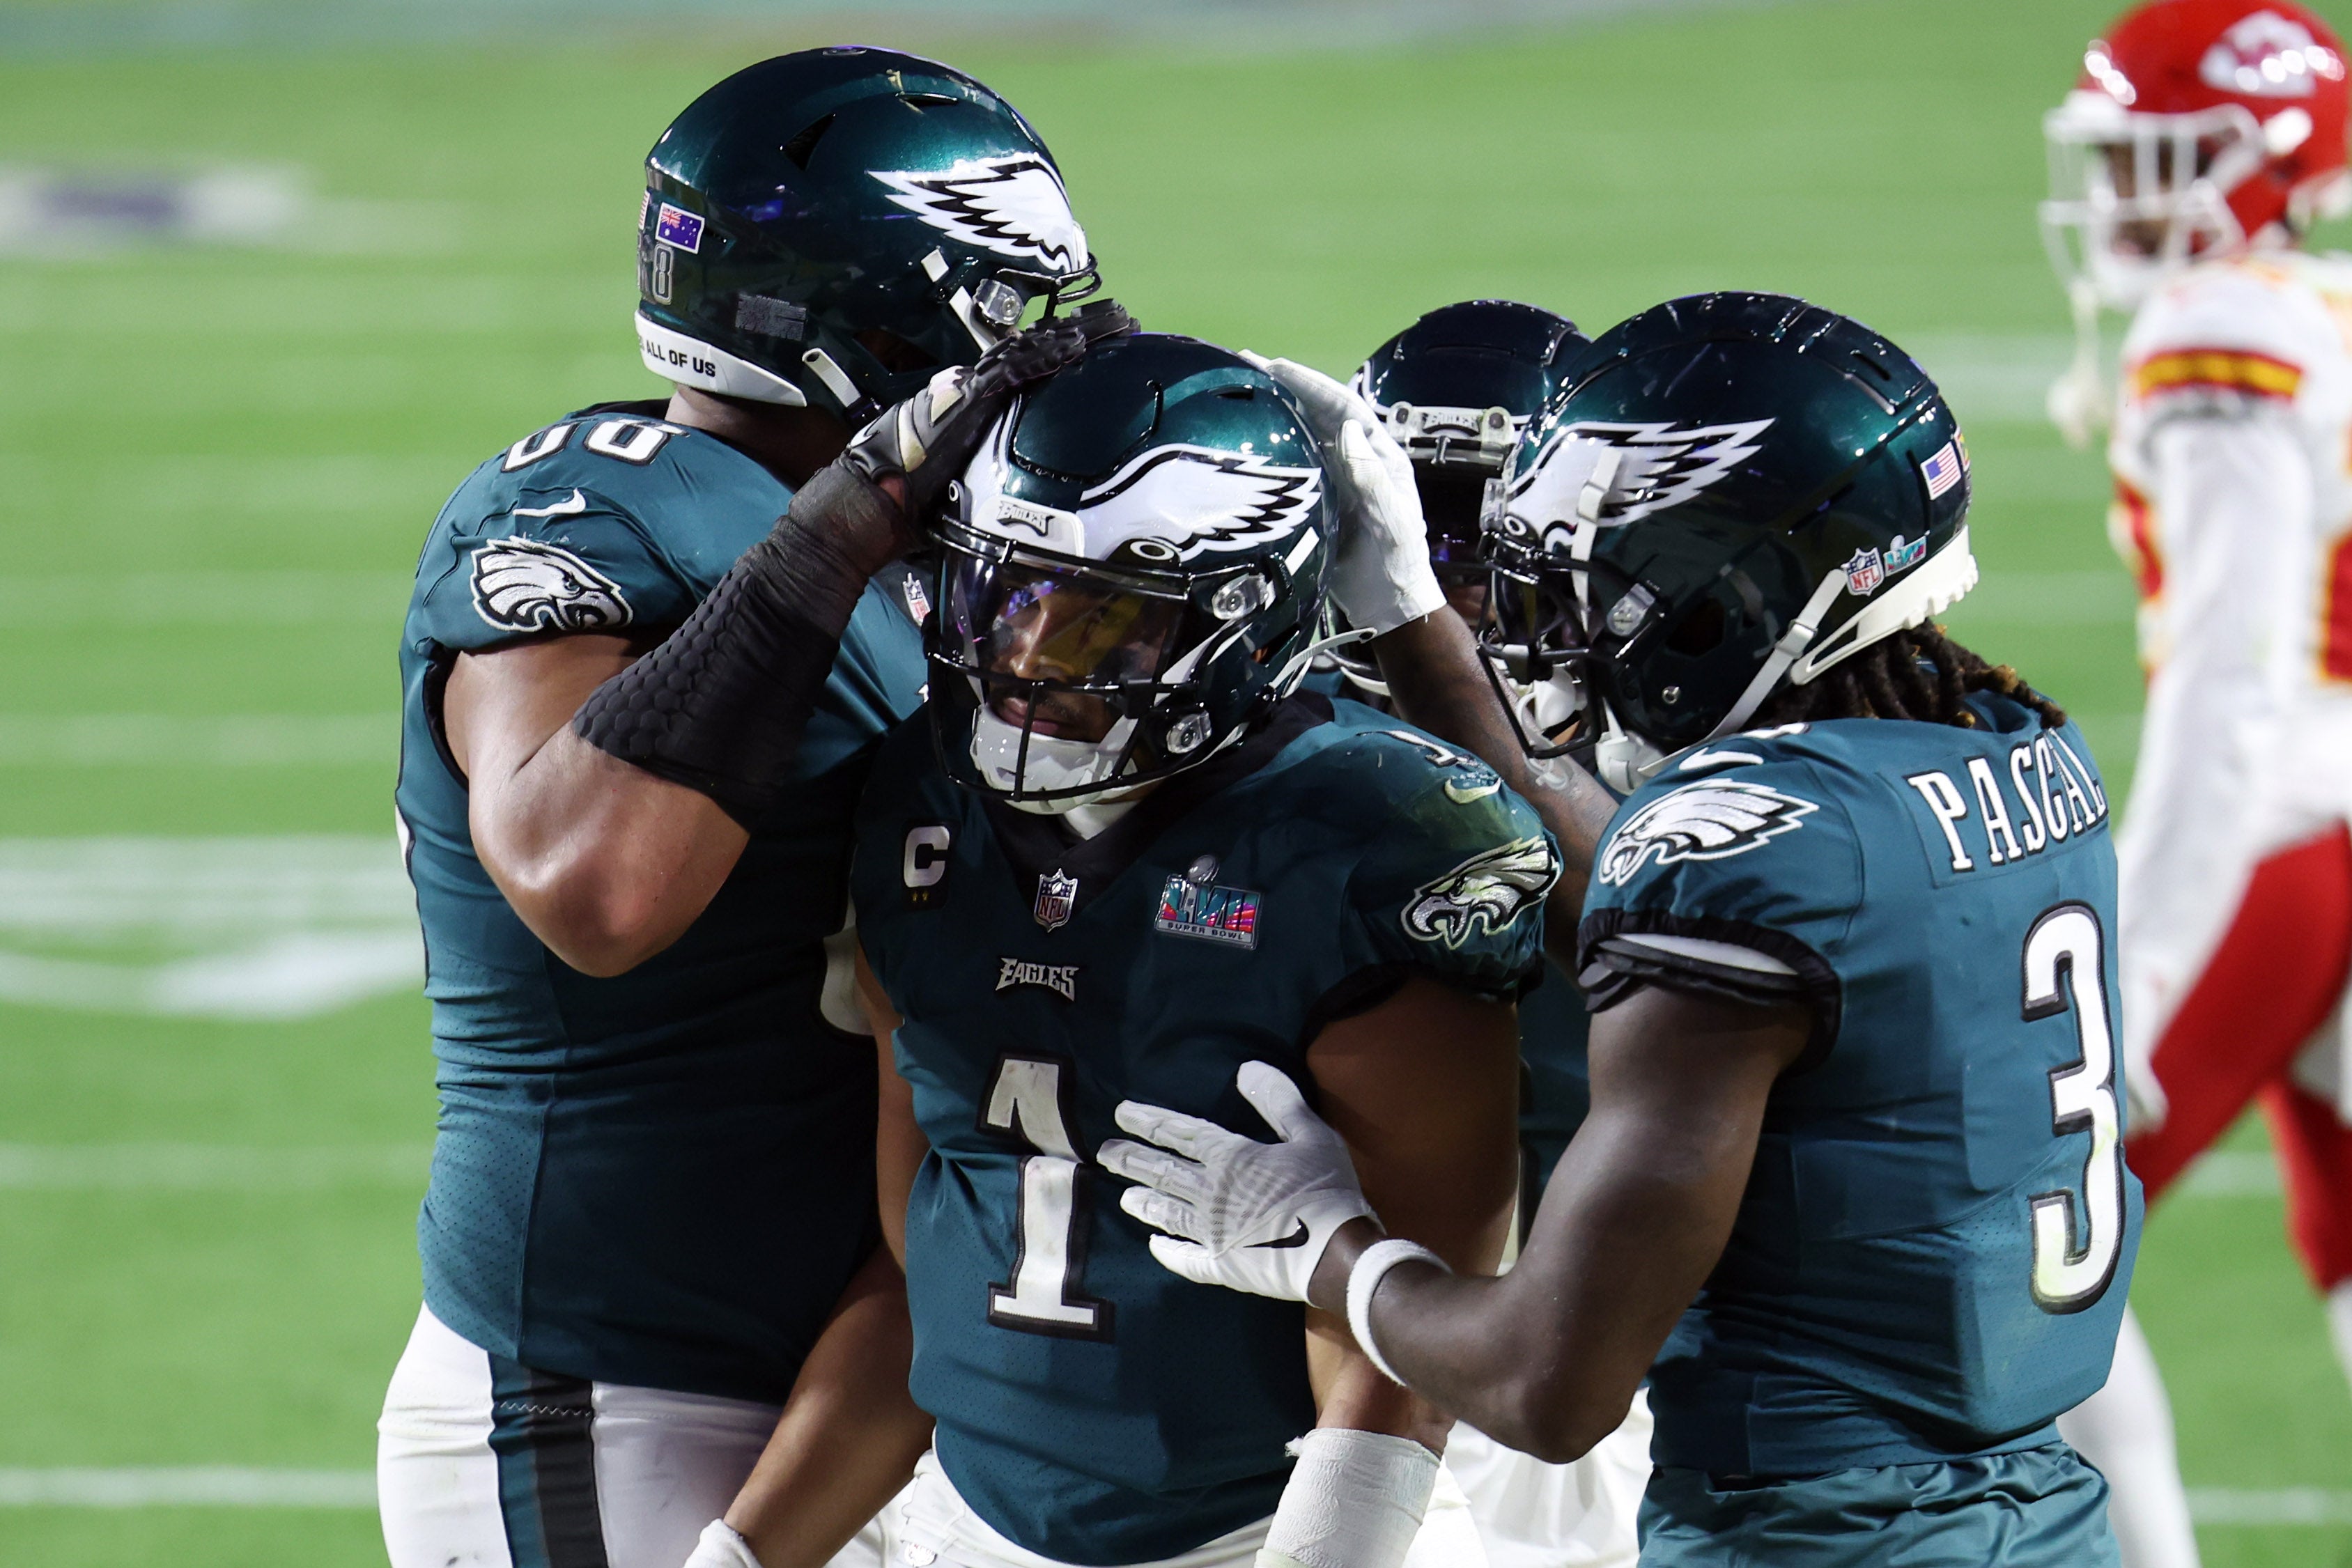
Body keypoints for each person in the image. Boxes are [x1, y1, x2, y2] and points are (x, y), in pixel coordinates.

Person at [1106, 293, 2138, 1565]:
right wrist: (1411, 622)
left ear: (1731, 597)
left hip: (1809, 1536)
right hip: (2036, 1513)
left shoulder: (1743, 855)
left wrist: (1331, 1250)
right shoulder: (2016, 751)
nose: (1549, 638)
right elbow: (1649, 923)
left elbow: (1546, 1388)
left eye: (1592, 590)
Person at [378, 47, 1109, 1568]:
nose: (1035, 355)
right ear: (877, 321)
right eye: (1003, 310)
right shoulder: (604, 506)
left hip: (879, 1376)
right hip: (611, 1390)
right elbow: (591, 888)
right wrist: (838, 530)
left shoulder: (938, 554)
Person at [714, 332, 1559, 1568]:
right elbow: (935, 1250)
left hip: (1281, 1528)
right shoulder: (920, 793)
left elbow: (1402, 1358)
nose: (1024, 662)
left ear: (1240, 617)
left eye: (1097, 621)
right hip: (964, 1515)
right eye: (1006, 596)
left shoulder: (1372, 834)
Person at [2041, 6, 2352, 1564]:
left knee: (2023, 1237)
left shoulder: (2218, 329)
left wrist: (2142, 957)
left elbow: (2234, 682)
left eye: (2150, 158)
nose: (2117, 194)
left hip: (2284, 830)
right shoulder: (2314, 303)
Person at [1336, 300, 1650, 1568]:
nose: (1445, 577)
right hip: (1307, 1333)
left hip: (1579, 1361)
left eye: (1488, 536)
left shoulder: (1668, 757)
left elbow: (1619, 919)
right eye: (1414, 528)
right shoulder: (1260, 717)